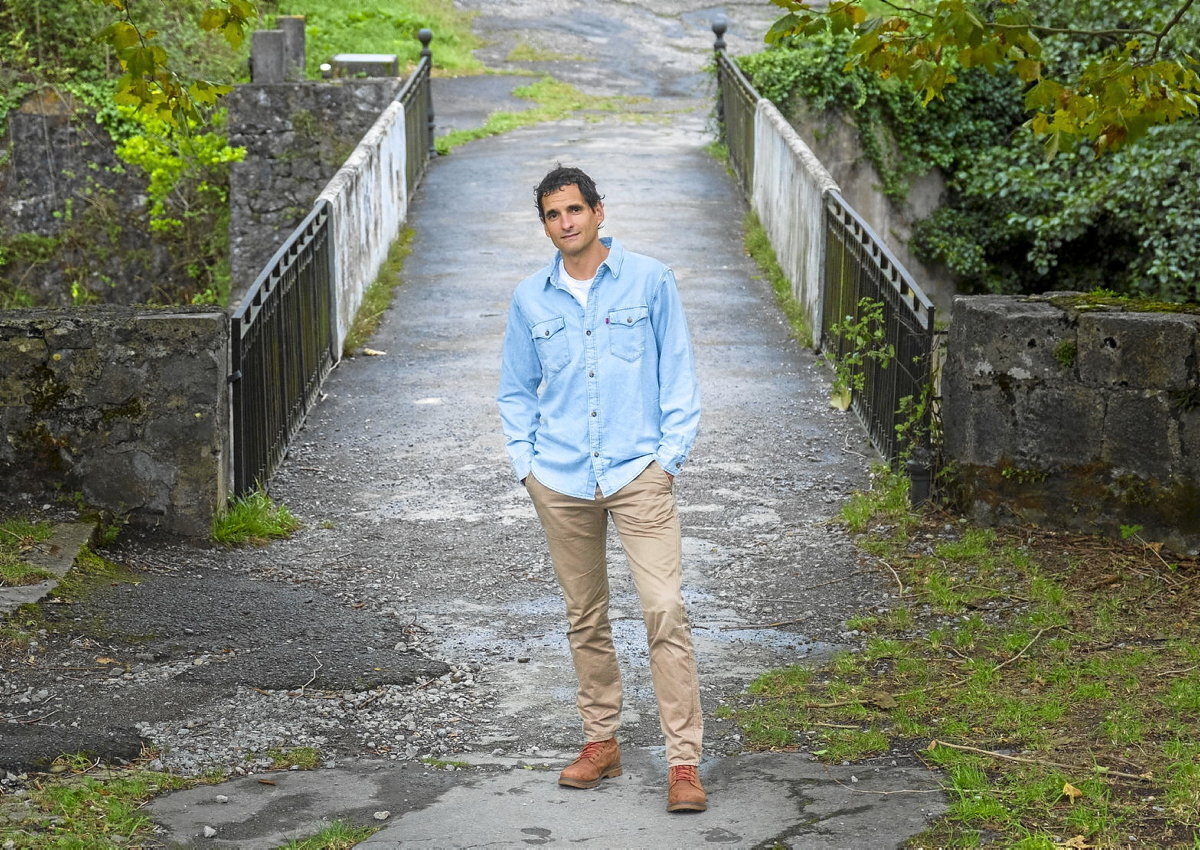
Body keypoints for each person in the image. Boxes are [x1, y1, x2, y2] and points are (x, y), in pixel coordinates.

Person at [497, 164, 706, 813]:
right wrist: (526, 466)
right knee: (584, 617)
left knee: (664, 610)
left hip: (638, 472)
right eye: (553, 215)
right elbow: (514, 390)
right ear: (545, 225)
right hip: (560, 479)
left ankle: (683, 763)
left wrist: (668, 460)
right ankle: (601, 743)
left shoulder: (650, 280)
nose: (565, 223)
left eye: (574, 210)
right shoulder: (530, 299)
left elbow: (679, 373)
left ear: (598, 211)